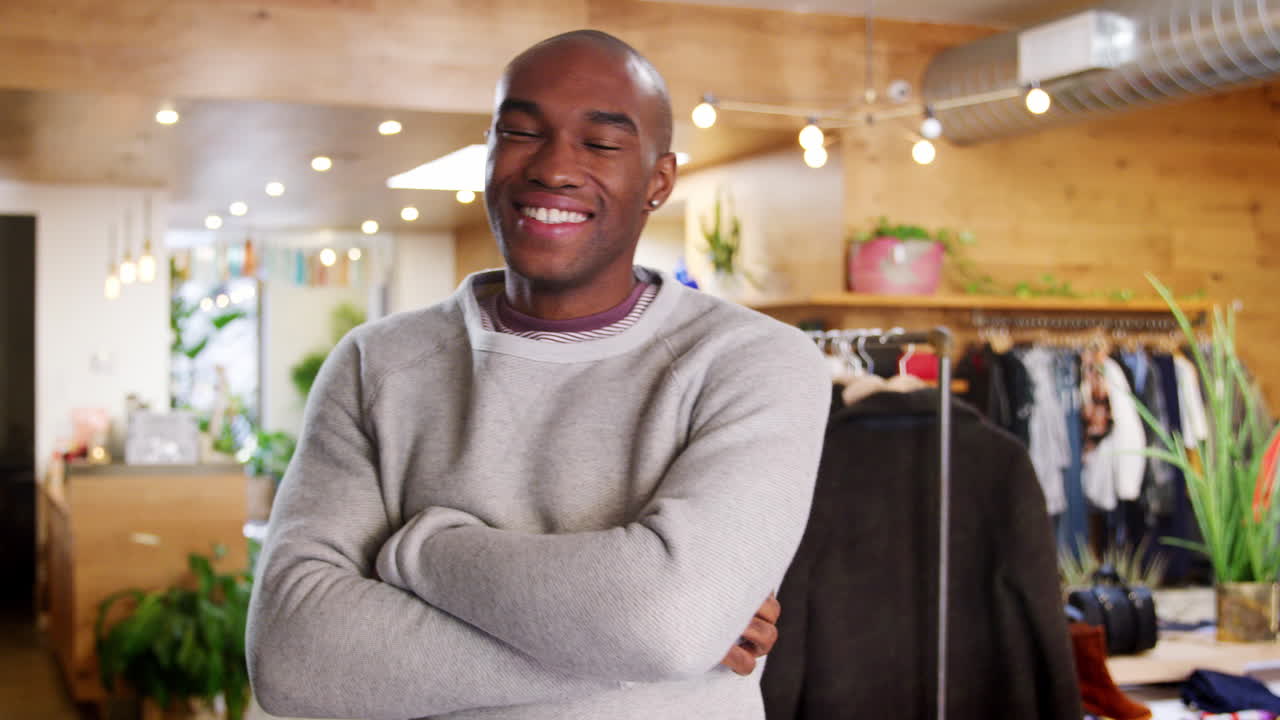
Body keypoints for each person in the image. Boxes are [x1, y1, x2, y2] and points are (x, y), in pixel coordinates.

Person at [246, 29, 830, 719]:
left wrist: (420, 552)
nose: (553, 168)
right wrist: (654, 650)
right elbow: (295, 658)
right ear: (488, 156)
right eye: (521, 133)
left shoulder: (754, 361)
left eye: (602, 144)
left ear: (659, 180)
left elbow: (665, 622)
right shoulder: (378, 364)